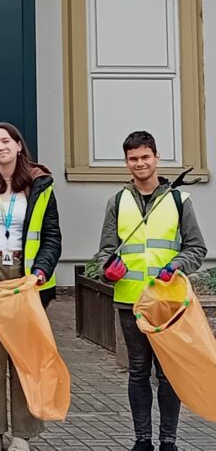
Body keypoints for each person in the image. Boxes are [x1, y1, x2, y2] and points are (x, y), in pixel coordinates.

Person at [93, 131, 206, 451]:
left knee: (168, 374)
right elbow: (105, 251)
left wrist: (177, 266)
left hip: (168, 303)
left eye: (145, 157)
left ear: (156, 158)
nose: (139, 163)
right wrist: (107, 268)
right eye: (133, 158)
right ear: (126, 163)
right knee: (138, 372)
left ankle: (168, 441)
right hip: (129, 301)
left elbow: (196, 248)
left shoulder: (178, 200)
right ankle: (142, 440)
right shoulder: (116, 201)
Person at [0, 123, 61, 451]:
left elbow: (52, 236)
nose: (0, 147)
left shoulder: (40, 185)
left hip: (25, 276)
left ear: (19, 145)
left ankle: (21, 434)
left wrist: (42, 270)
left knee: (23, 357)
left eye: (6, 141)